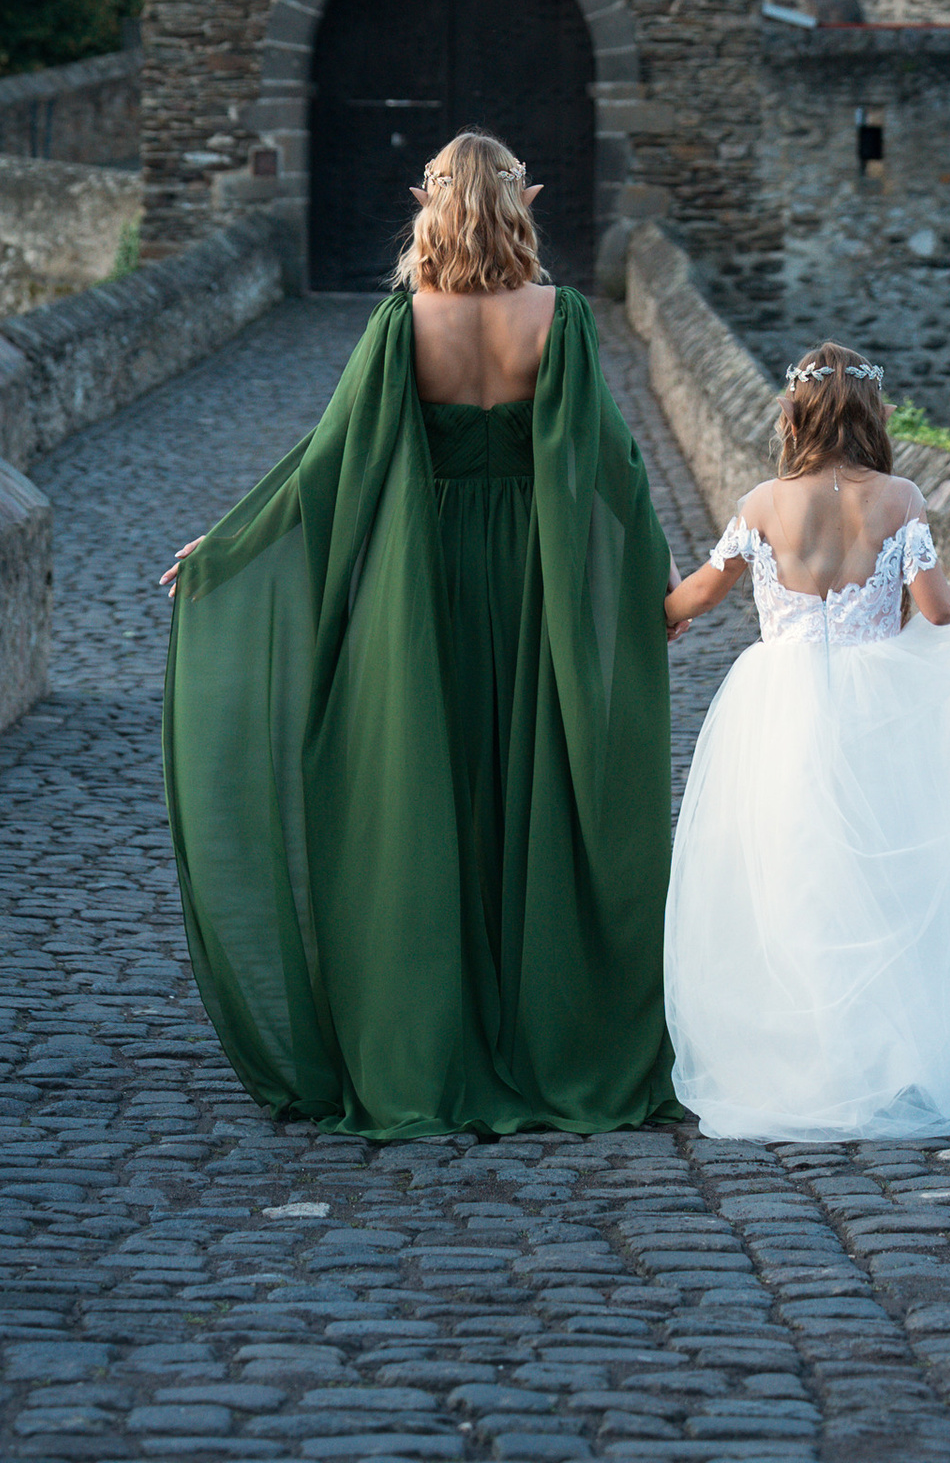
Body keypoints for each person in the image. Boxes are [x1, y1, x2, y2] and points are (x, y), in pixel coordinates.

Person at [160, 131, 676, 1137]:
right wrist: (646, 579)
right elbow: (612, 466)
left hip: (422, 583)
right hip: (529, 585)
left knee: (426, 801)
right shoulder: (559, 319)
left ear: (424, 203)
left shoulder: (404, 324)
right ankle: (546, 1035)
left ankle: (430, 1044)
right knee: (527, 797)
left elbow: (328, 457)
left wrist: (228, 545)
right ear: (521, 200)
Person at [658, 338, 950, 1141]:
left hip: (779, 704)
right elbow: (935, 608)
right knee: (882, 875)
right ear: (872, 412)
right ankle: (884, 1060)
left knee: (790, 871)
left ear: (793, 413)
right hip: (874, 707)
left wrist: (660, 607)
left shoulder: (764, 502)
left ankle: (806, 1061)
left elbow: (697, 593)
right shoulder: (898, 498)